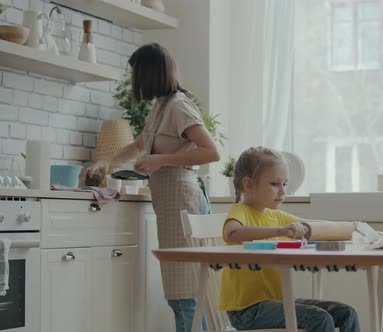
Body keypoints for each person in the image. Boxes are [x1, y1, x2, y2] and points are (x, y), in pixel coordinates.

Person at [83, 43, 220, 332]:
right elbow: (138, 145)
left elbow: (212, 152)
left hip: (183, 198)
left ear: (148, 74)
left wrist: (161, 160)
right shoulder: (161, 106)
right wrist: (105, 164)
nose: (132, 79)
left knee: (185, 294)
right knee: (180, 291)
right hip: (173, 200)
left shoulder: (179, 105)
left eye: (134, 73)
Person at [219, 146, 360, 332]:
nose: (282, 191)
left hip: (275, 302)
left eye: (285, 184)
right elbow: (232, 233)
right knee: (320, 319)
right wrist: (279, 230)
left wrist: (356, 228)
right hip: (246, 311)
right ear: (248, 184)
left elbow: (312, 224)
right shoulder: (240, 211)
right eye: (275, 184)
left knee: (347, 313)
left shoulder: (275, 216)